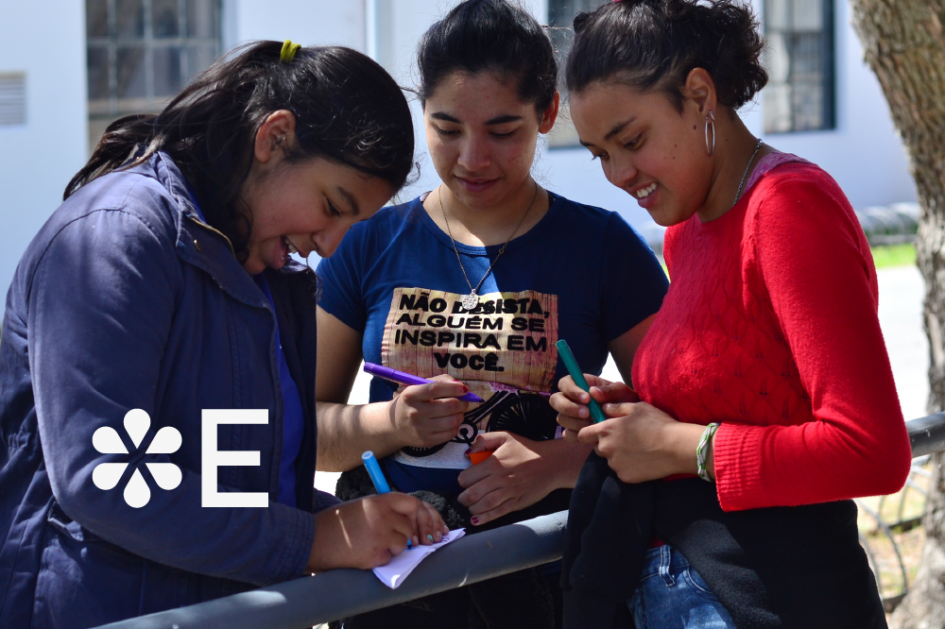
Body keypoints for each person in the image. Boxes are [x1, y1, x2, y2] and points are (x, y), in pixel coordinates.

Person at [0, 41, 448, 629]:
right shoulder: (118, 238)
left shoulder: (264, 276)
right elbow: (102, 476)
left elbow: (225, 483)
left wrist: (349, 520)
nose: (331, 245)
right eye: (332, 205)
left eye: (353, 224)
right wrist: (313, 537)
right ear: (273, 138)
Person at [551, 1, 913, 628]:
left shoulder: (786, 209)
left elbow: (871, 450)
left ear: (697, 95)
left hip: (777, 595)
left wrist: (680, 446)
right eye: (597, 154)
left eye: (631, 140)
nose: (618, 173)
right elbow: (749, 388)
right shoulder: (686, 232)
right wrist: (632, 411)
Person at [315, 1, 668, 626]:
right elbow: (300, 436)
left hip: (547, 582)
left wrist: (559, 464)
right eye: (447, 128)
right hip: (398, 594)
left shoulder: (603, 247)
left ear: (548, 114)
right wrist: (390, 422)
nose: (472, 158)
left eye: (503, 131)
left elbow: (678, 423)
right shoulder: (368, 242)